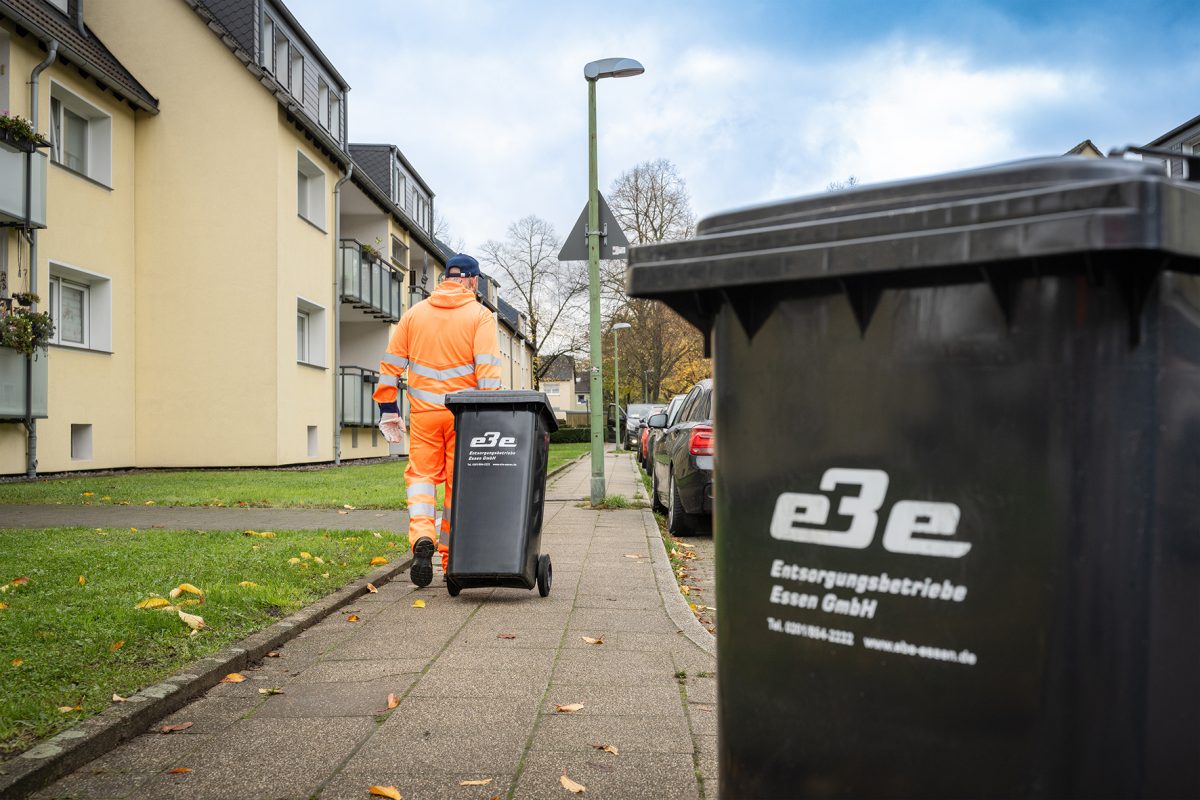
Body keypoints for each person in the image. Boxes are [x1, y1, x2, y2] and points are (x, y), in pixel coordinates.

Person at [374, 254, 502, 587]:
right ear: (473, 281)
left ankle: (421, 538)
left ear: (445, 279)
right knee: (460, 486)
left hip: (425, 416)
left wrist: (388, 409)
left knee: (421, 480)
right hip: (465, 418)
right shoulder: (481, 317)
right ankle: (451, 561)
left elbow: (390, 366)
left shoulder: (414, 315)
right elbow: (488, 374)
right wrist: (492, 417)